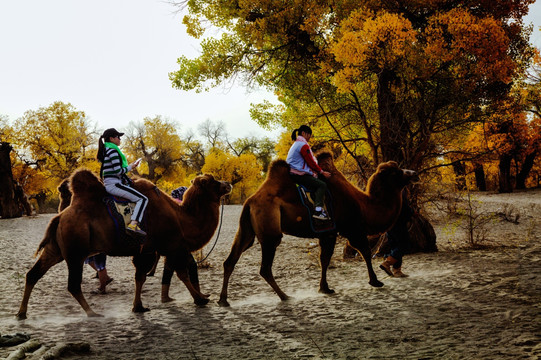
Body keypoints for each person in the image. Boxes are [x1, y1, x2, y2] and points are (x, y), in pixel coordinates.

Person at [97, 128, 147, 236]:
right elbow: (118, 171)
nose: (120, 139)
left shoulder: (107, 150)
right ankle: (133, 225)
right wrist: (131, 167)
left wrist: (130, 166)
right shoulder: (113, 151)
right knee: (143, 199)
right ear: (111, 138)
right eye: (118, 137)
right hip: (114, 184)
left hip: (110, 183)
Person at [286, 125, 331, 220]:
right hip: (298, 174)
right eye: (309, 135)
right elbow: (310, 161)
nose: (309, 138)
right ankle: (318, 211)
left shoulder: (296, 144)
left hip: (293, 173)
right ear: (304, 133)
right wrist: (322, 172)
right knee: (322, 185)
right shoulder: (303, 145)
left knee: (316, 185)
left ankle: (318, 206)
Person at [379, 189, 414, 278]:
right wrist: (412, 213)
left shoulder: (385, 191)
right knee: (404, 245)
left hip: (389, 223)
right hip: (398, 223)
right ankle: (387, 263)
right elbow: (403, 207)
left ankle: (397, 271)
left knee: (395, 246)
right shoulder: (399, 190)